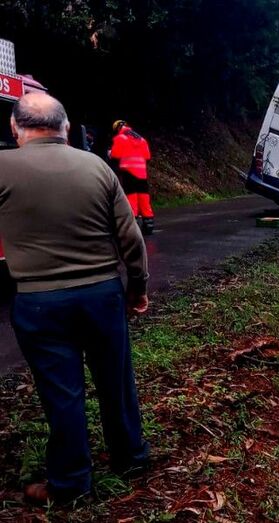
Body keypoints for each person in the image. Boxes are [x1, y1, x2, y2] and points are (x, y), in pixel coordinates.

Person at [0, 93, 150, 505]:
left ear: (15, 128)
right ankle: (131, 457)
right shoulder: (96, 166)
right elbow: (131, 238)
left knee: (62, 391)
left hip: (39, 301)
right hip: (103, 295)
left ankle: (70, 484)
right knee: (116, 380)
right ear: (66, 128)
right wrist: (136, 286)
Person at [110, 120, 155, 235]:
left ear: (117, 129)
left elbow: (115, 155)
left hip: (128, 172)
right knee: (143, 197)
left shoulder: (120, 138)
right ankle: (148, 223)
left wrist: (109, 153)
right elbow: (147, 156)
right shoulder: (141, 139)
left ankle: (133, 224)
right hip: (142, 173)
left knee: (131, 197)